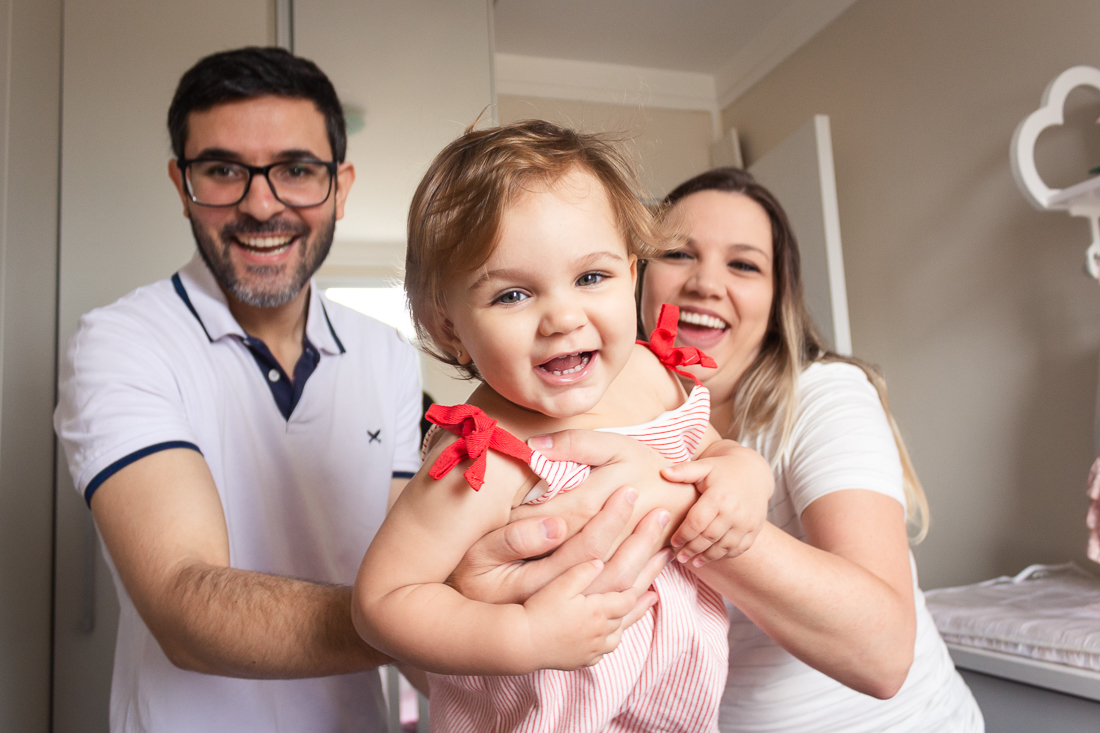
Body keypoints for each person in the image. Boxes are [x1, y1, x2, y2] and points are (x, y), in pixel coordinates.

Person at [52, 48, 670, 733]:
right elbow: (182, 607)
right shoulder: (123, 340)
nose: (262, 202)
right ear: (181, 182)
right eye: (223, 170)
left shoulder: (381, 353)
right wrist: (464, 611)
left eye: (296, 170)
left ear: (341, 185)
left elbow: (436, 547)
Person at [353, 123, 773, 733]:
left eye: (591, 278)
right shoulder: (485, 455)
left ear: (632, 274)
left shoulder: (652, 373)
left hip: (674, 709)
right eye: (513, 294)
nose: (563, 317)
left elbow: (709, 450)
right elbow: (383, 602)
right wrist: (522, 635)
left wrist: (745, 472)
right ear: (450, 329)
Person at [531, 166, 982, 731]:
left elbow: (884, 651)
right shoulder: (591, 409)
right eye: (678, 254)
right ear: (637, 275)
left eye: (743, 264)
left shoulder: (823, 394)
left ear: (777, 298)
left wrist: (672, 504)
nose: (705, 284)